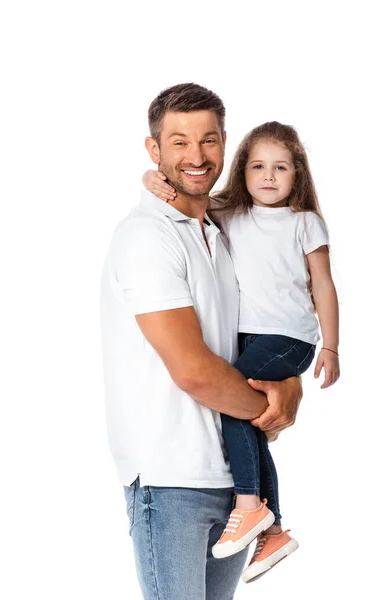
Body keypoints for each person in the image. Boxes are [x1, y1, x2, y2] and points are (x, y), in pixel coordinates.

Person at [100, 83, 303, 600]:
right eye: (178, 142)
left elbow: (275, 313)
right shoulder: (149, 237)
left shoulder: (224, 228)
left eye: (208, 141)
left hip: (237, 483)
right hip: (171, 479)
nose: (196, 156)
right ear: (154, 150)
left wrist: (291, 384)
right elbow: (192, 369)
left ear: (225, 144)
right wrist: (269, 408)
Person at [142, 120, 340, 583]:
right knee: (247, 419)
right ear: (242, 171)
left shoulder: (304, 222)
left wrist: (330, 344)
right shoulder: (230, 214)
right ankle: (273, 530)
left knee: (231, 400)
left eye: (281, 167)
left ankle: (249, 504)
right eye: (257, 166)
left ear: (298, 174)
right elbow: (183, 195)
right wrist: (148, 179)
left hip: (290, 338)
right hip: (249, 339)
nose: (269, 176)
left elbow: (324, 286)